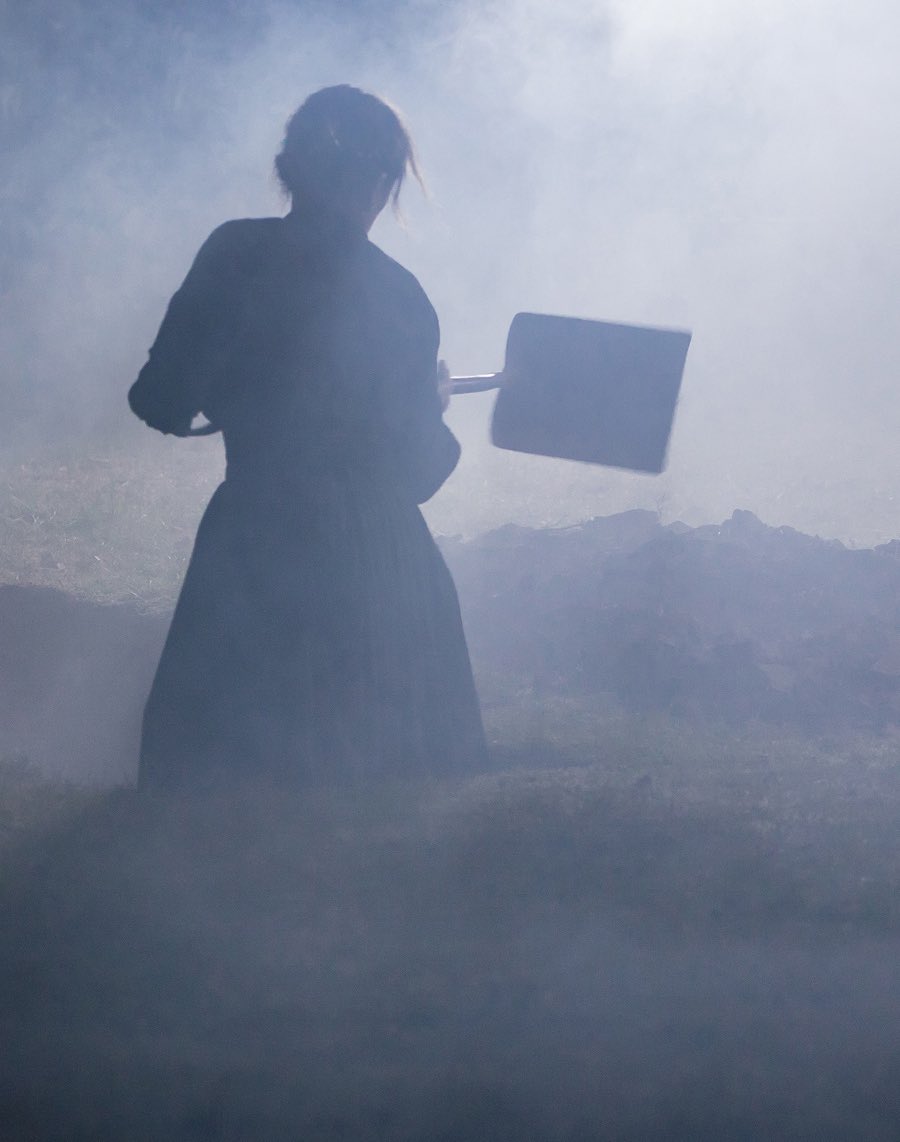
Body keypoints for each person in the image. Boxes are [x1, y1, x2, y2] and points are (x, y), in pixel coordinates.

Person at [128, 85, 488, 792]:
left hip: (256, 540)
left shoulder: (234, 253)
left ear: (289, 167)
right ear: (383, 182)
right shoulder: (401, 296)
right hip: (379, 565)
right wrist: (434, 406)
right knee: (383, 805)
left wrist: (231, 392)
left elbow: (161, 399)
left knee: (228, 796)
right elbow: (416, 470)